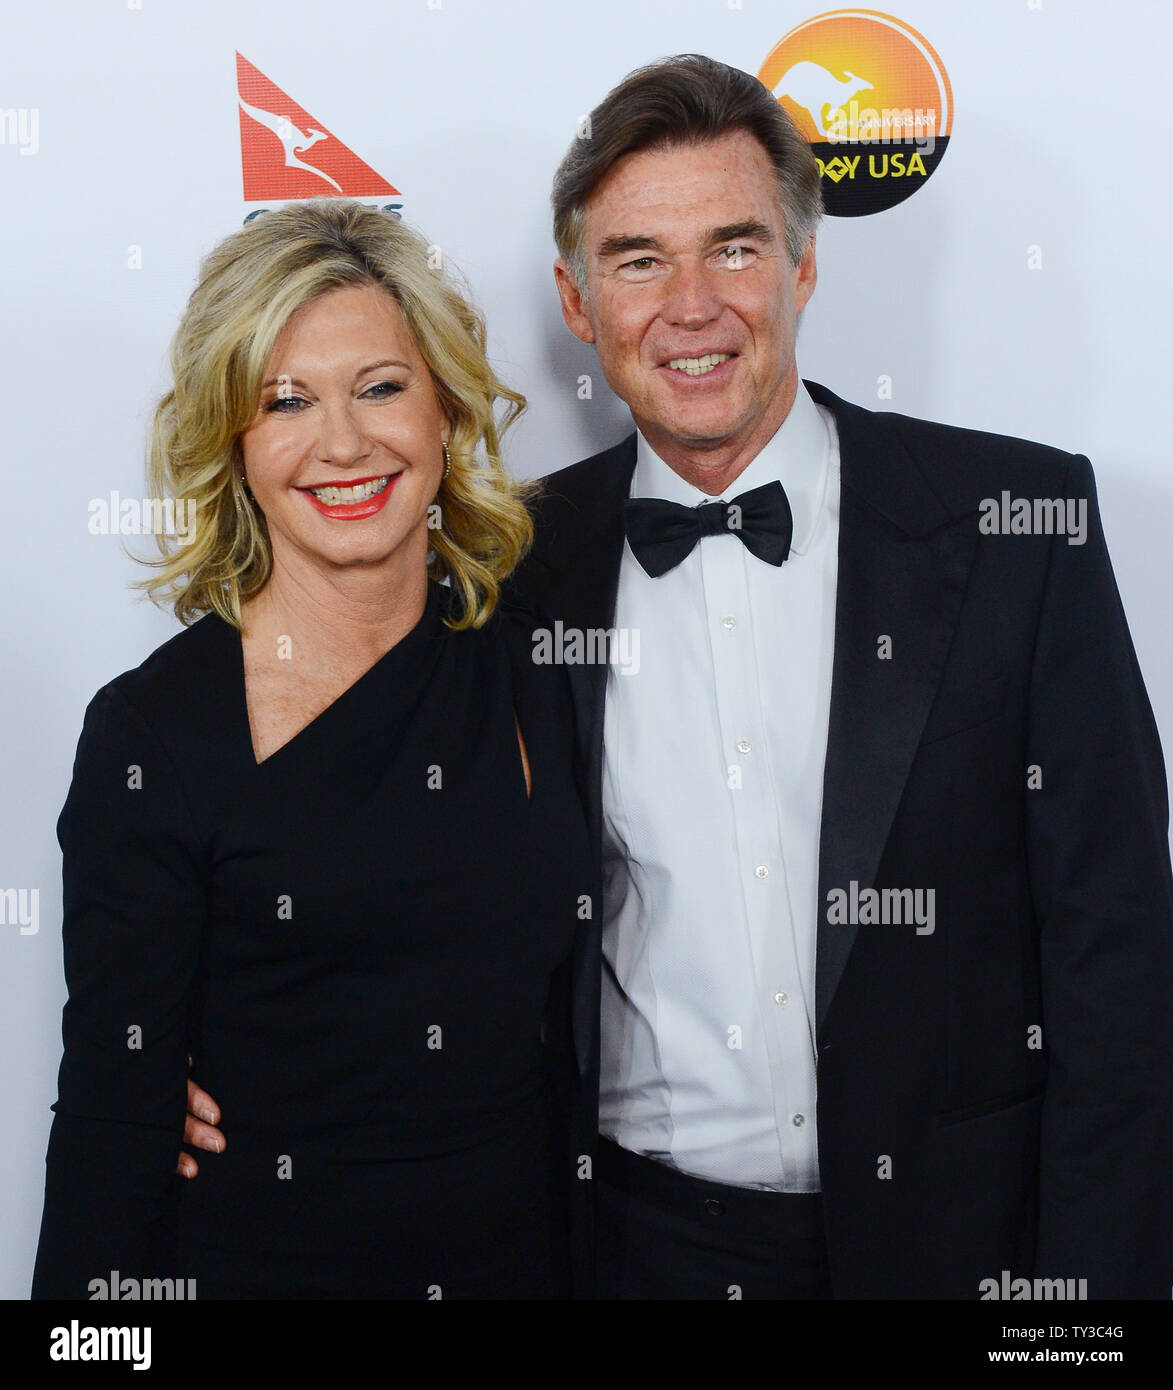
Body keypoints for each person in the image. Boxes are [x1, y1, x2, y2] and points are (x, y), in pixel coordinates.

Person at [184, 54, 1173, 1300]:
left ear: (803, 265)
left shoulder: (1014, 525)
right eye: (639, 260)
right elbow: (381, 871)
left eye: (734, 249)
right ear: (577, 298)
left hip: (970, 1246)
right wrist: (190, 1052)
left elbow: (1120, 962)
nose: (691, 306)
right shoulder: (503, 571)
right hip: (632, 1252)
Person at [31, 200, 592, 1300]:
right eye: (286, 401)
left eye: (379, 388)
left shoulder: (535, 659)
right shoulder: (155, 731)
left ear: (445, 411)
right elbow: (113, 1111)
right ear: (233, 444)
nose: (343, 443)